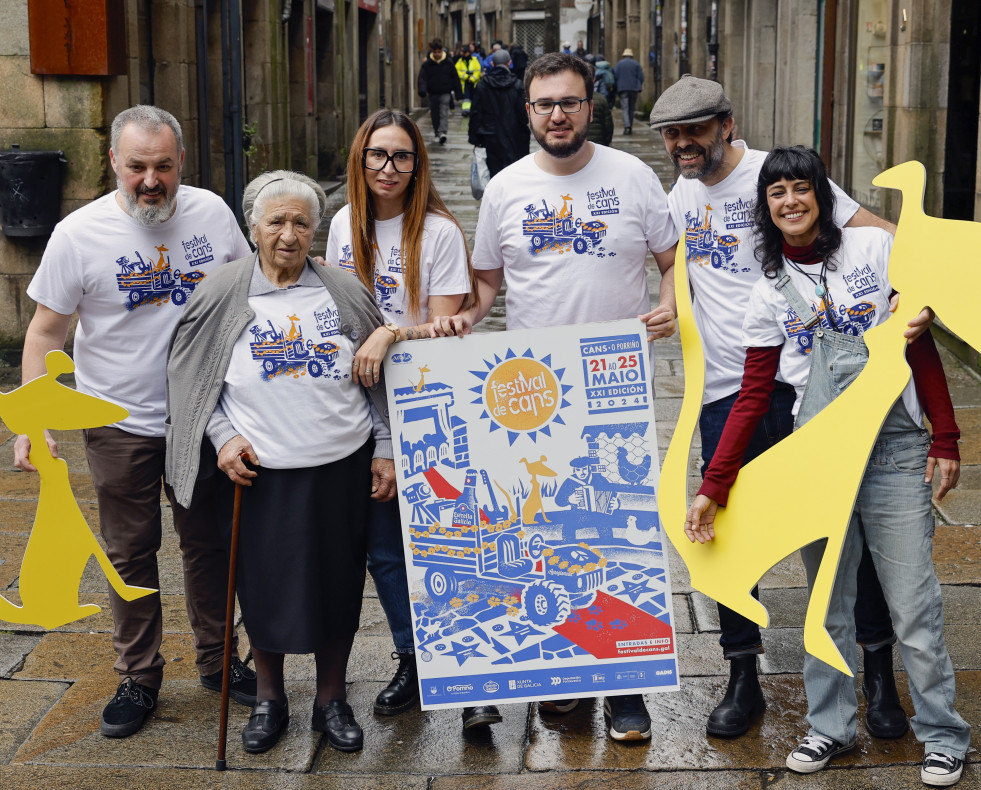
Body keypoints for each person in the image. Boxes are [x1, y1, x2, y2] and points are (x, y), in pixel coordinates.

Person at [684, 146, 970, 787]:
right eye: (777, 192)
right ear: (766, 207)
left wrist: (945, 437)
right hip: (815, 457)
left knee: (914, 606)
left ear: (821, 196)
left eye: (800, 188)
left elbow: (919, 348)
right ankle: (831, 727)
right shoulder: (765, 295)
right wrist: (714, 484)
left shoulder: (873, 254)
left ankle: (944, 735)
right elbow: (753, 396)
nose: (790, 201)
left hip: (894, 450)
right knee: (828, 604)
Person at [649, 74, 924, 741]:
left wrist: (914, 293)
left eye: (693, 130)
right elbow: (670, 263)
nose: (683, 144)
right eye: (671, 134)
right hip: (729, 389)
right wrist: (667, 300)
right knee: (722, 536)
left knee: (841, 534)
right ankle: (742, 677)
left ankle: (878, 674)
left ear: (725, 125)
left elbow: (877, 233)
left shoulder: (780, 179)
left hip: (810, 386)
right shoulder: (680, 195)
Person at [434, 53, 679, 742]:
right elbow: (485, 282)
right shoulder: (506, 188)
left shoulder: (631, 176)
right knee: (546, 537)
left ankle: (626, 688)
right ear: (527, 111)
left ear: (589, 106)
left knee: (617, 537)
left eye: (568, 102)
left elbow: (671, 259)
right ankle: (569, 677)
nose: (557, 115)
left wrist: (667, 303)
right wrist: (463, 317)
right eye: (544, 105)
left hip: (612, 384)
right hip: (530, 390)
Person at [14, 105, 256, 738]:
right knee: (129, 551)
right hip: (117, 419)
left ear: (182, 163)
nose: (152, 180)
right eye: (138, 166)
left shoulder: (212, 215)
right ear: (114, 164)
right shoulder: (78, 233)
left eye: (164, 166)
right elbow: (45, 332)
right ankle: (139, 675)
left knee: (210, 545)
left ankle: (219, 662)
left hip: (202, 418)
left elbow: (252, 296)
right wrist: (31, 424)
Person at [167, 170, 396, 755]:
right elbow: (196, 384)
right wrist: (221, 438)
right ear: (253, 228)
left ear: (315, 230)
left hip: (340, 467)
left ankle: (331, 700)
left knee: (339, 585)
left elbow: (380, 383)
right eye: (276, 222)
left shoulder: (344, 291)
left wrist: (385, 448)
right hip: (260, 474)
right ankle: (270, 697)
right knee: (261, 586)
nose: (289, 234)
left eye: (301, 222)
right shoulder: (222, 292)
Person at [322, 108, 478, 717]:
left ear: (418, 165)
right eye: (378, 155)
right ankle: (413, 660)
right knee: (384, 549)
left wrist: (388, 333)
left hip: (430, 405)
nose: (390, 168)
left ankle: (469, 668)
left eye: (403, 157)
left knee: (453, 541)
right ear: (360, 161)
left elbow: (442, 330)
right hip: (361, 407)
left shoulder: (437, 232)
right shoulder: (342, 225)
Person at [468, 49, 531, 177]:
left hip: (490, 137)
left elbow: (475, 113)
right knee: (514, 174)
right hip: (514, 137)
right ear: (509, 63)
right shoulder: (518, 85)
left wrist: (474, 138)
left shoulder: (482, 86)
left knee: (494, 174)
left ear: (492, 64)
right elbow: (523, 114)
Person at [418, 39, 461, 145]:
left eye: (439, 52)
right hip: (433, 93)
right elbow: (422, 78)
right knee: (435, 114)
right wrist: (422, 90)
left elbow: (455, 78)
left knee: (443, 112)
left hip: (445, 92)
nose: (437, 54)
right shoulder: (427, 64)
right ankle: (437, 131)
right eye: (435, 52)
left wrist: (458, 92)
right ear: (432, 52)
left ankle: (443, 132)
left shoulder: (448, 63)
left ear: (442, 51)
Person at [613, 48, 644, 134]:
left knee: (625, 108)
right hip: (634, 89)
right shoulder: (636, 64)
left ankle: (627, 127)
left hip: (622, 89)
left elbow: (615, 76)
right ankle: (630, 124)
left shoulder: (619, 64)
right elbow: (641, 77)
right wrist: (637, 84)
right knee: (631, 108)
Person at [585, 62, 614, 146]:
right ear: (594, 79)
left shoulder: (572, 99)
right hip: (599, 143)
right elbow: (608, 124)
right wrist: (607, 141)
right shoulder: (601, 99)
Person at [455, 45, 482, 117]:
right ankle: (466, 111)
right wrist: (466, 77)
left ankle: (473, 110)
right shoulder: (460, 62)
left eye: (466, 52)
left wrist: (472, 78)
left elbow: (478, 71)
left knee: (474, 97)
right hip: (465, 83)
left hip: (473, 83)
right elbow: (457, 71)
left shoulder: (474, 60)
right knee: (466, 98)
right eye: (464, 53)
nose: (465, 54)